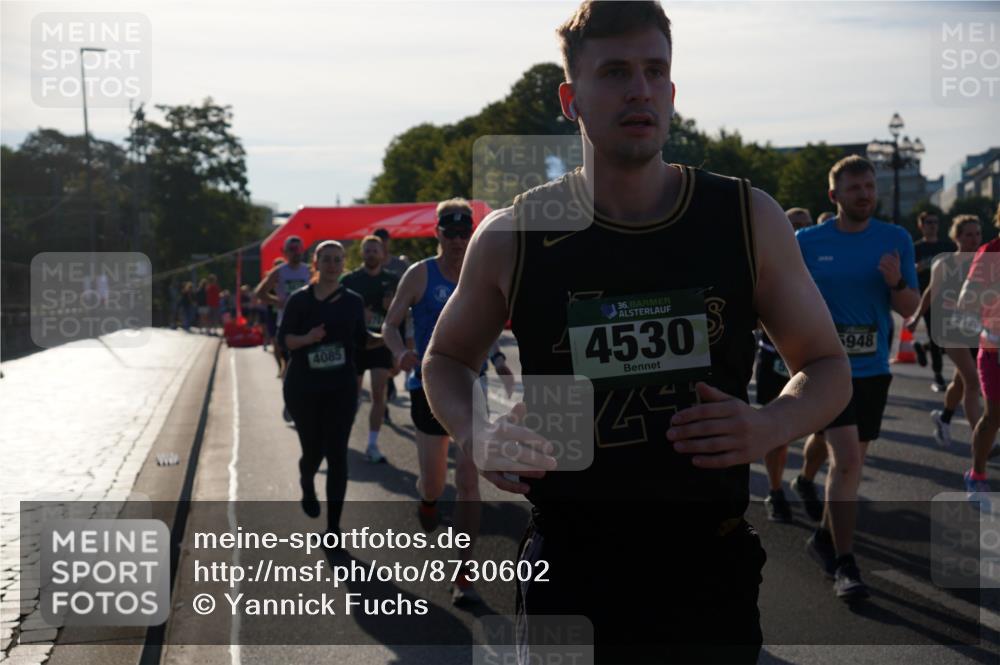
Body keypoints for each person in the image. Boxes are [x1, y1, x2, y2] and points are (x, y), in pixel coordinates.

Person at [421, 2, 850, 661]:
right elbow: (446, 358)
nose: (640, 89)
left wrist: (771, 423)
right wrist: (476, 429)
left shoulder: (743, 215)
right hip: (571, 560)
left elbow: (826, 365)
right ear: (572, 98)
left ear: (673, 92)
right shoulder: (515, 232)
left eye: (655, 70)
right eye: (615, 71)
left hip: (708, 562)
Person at [795, 155, 920, 600]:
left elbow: (909, 310)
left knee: (852, 463)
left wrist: (895, 280)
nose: (865, 194)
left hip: (873, 368)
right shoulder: (807, 241)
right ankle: (845, 564)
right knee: (847, 459)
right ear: (834, 196)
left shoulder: (895, 239)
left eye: (869, 186)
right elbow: (781, 295)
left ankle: (824, 539)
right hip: (826, 367)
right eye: (855, 188)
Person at [382, 199, 514, 607]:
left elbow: (487, 325)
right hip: (430, 389)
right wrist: (399, 353)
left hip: (473, 387)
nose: (458, 241)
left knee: (469, 484)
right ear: (437, 233)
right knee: (435, 483)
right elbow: (390, 323)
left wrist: (498, 360)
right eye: (450, 233)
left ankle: (464, 574)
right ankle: (427, 500)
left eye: (464, 233)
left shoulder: (480, 271)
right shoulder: (419, 274)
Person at [279, 240, 382, 539]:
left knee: (337, 455)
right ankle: (307, 482)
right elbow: (284, 341)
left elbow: (362, 339)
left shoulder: (352, 300)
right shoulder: (300, 300)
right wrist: (309, 338)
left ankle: (333, 527)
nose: (333, 264)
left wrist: (387, 337)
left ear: (343, 264)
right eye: (327, 259)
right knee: (313, 452)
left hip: (341, 388)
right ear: (316, 262)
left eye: (338, 260)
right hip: (304, 388)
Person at [906, 215, 983, 447]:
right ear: (957, 237)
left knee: (961, 382)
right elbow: (930, 291)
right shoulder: (945, 262)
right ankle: (981, 440)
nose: (974, 239)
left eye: (978, 234)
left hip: (977, 329)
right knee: (972, 381)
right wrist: (916, 317)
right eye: (968, 234)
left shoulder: (985, 260)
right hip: (950, 327)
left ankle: (944, 418)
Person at [758, 207, 813, 522]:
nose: (800, 233)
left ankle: (805, 478)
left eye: (806, 227)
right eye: (794, 226)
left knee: (822, 429)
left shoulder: (819, 261)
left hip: (811, 357)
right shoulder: (767, 256)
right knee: (776, 429)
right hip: (772, 356)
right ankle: (775, 490)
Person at [340, 235, 400, 463]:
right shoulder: (350, 279)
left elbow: (402, 315)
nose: (372, 254)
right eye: (368, 250)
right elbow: (338, 309)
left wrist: (399, 349)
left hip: (381, 344)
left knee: (378, 394)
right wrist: (357, 315)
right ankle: (342, 438)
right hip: (356, 345)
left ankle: (372, 444)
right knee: (351, 397)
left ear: (383, 254)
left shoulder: (393, 280)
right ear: (362, 253)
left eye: (376, 250)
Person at [959, 204, 1000, 509]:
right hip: (995, 349)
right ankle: (977, 474)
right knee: (994, 416)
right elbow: (966, 301)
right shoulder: (990, 252)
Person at [255, 237, 311, 421]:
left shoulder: (308, 271)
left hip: (307, 326)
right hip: (286, 326)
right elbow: (259, 293)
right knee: (290, 367)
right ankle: (289, 402)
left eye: (298, 249)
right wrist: (277, 301)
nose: (296, 252)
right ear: (285, 253)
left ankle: (305, 404)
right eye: (292, 249)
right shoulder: (279, 272)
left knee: (309, 368)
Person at [912, 211, 957, 391]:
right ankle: (938, 375)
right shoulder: (916, 248)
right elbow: (908, 272)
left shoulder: (947, 246)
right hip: (926, 296)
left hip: (947, 297)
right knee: (936, 334)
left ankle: (922, 348)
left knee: (946, 336)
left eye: (935, 222)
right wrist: (918, 267)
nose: (932, 225)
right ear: (921, 225)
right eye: (929, 222)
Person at [373, 227, 413, 405]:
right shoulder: (372, 263)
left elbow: (412, 286)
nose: (382, 243)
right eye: (378, 240)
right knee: (385, 355)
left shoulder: (399, 265)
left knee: (407, 344)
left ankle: (406, 374)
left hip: (403, 314)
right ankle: (388, 386)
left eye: (384, 240)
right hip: (381, 317)